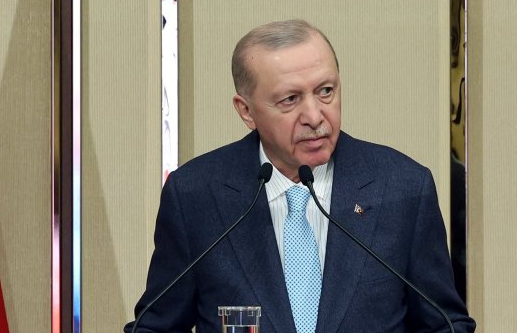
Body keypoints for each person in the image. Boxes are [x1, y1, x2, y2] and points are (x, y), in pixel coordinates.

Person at [124, 19, 477, 333]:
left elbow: (446, 324)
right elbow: (154, 326)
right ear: (246, 111)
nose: (315, 116)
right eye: (290, 99)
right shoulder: (194, 196)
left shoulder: (403, 188)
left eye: (326, 91)